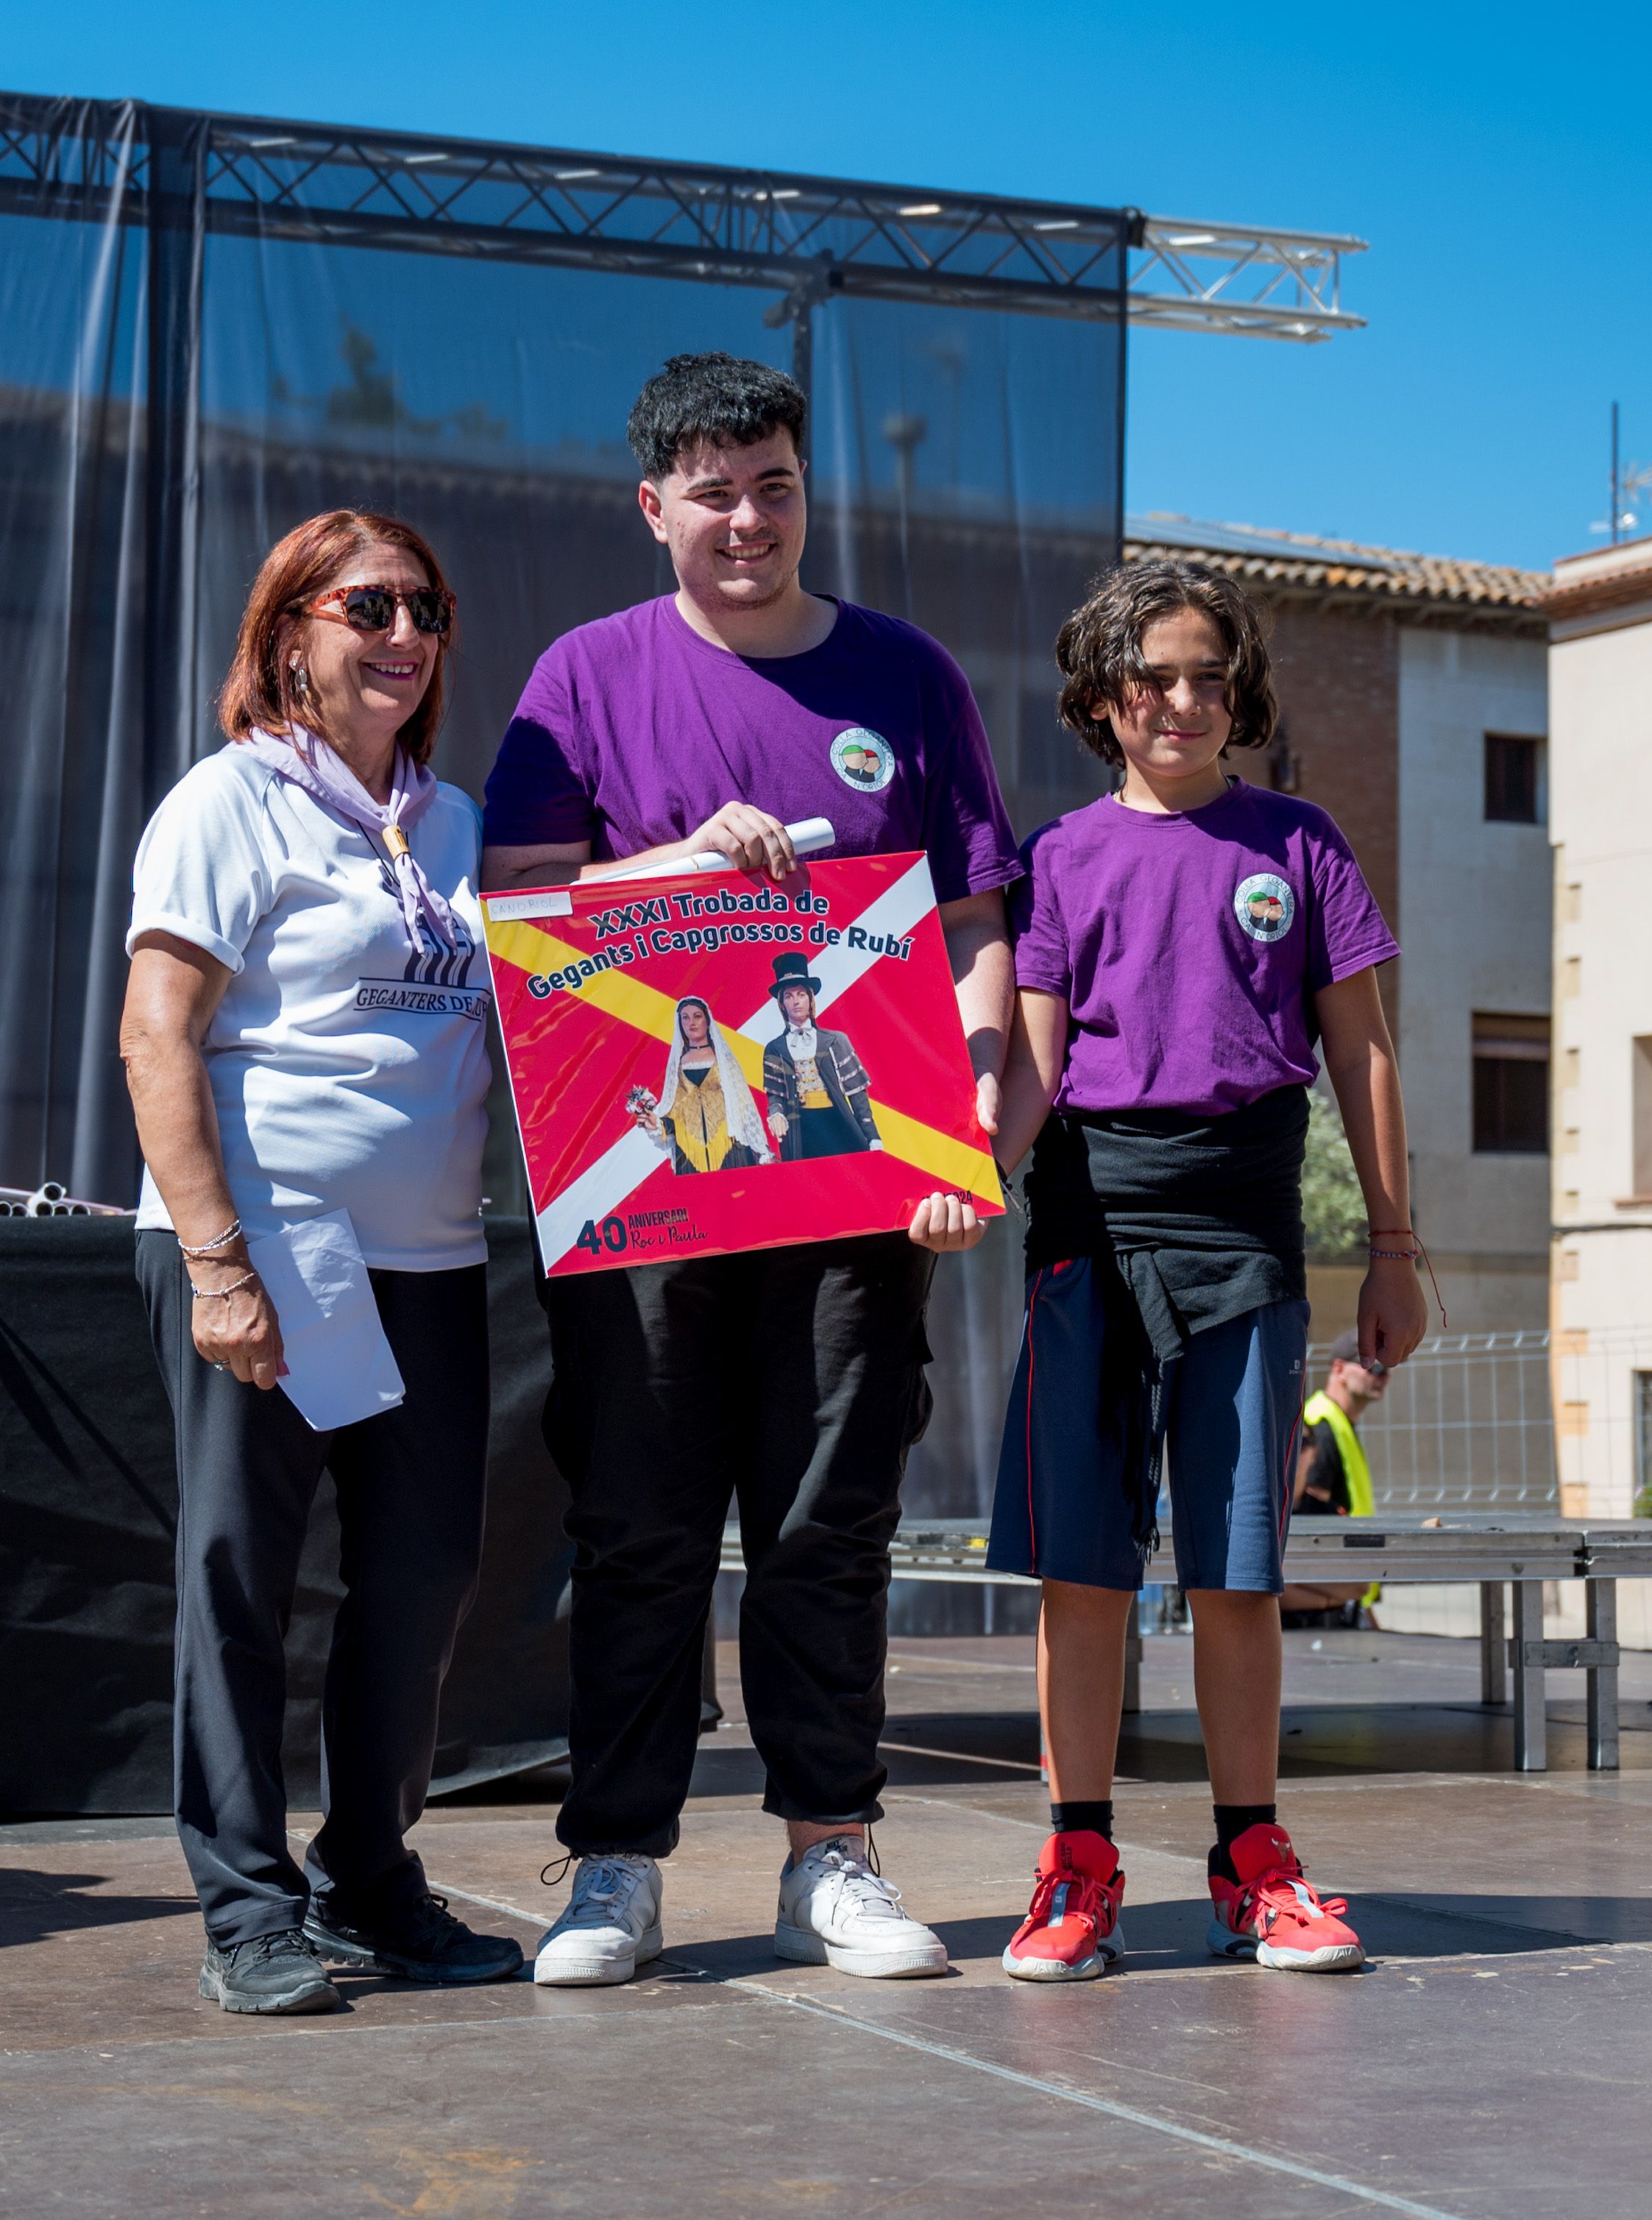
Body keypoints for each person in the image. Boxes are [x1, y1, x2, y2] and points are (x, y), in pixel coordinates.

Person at [481, 352, 1013, 1987]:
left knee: (826, 1521)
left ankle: (828, 1855)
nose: (746, 518)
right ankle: (614, 1866)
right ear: (652, 509)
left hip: (861, 1189)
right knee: (637, 1521)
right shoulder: (580, 676)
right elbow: (515, 910)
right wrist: (673, 860)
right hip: (648, 1185)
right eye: (711, 490)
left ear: (805, 492)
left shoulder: (907, 676)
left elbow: (976, 928)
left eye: (772, 484)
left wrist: (965, 1136)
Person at [985, 556, 1427, 1984]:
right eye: (1153, 676)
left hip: (1246, 1241)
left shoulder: (1297, 846)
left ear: (1233, 695)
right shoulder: (1055, 858)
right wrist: (957, 1163)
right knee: (1084, 1568)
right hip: (1086, 1235)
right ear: (1103, 696)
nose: (1182, 700)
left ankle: (1253, 1859)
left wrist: (1394, 1244)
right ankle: (1075, 1861)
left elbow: (1360, 1050)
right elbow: (1034, 1059)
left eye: (1206, 677)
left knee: (1237, 1567)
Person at [118, 510, 520, 2015]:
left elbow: (586, 956)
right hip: (264, 1247)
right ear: (289, 629)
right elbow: (154, 1031)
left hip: (421, 1258)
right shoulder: (229, 802)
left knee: (422, 1574)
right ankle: (244, 1904)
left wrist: (712, 856)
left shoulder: (458, 820)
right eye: (369, 606)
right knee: (239, 1578)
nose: (404, 633)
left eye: (428, 605)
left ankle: (368, 1873)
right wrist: (218, 1262)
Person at [1281, 1329, 1385, 1627]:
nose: (1382, 1377)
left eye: (1386, 1371)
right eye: (1373, 1368)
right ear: (1339, 1369)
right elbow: (1309, 1526)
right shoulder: (1320, 1427)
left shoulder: (1338, 1423)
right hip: (1313, 1611)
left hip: (1346, 1589)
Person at [756, 952, 878, 1160]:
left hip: (838, 1125)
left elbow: (858, 1096)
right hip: (801, 1132)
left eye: (801, 994)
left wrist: (873, 1138)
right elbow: (775, 1095)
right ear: (782, 1004)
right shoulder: (774, 1048)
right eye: (789, 996)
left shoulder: (836, 1040)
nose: (796, 1001)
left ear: (810, 998)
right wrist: (776, 1113)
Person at [639, 997, 769, 1174]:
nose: (691, 1022)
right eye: (685, 1018)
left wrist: (761, 1149)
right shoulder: (677, 1066)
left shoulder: (724, 1060)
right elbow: (674, 1113)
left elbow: (744, 1105)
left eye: (697, 1016)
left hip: (729, 1146)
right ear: (679, 1024)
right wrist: (656, 1124)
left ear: (707, 1020)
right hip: (690, 1151)